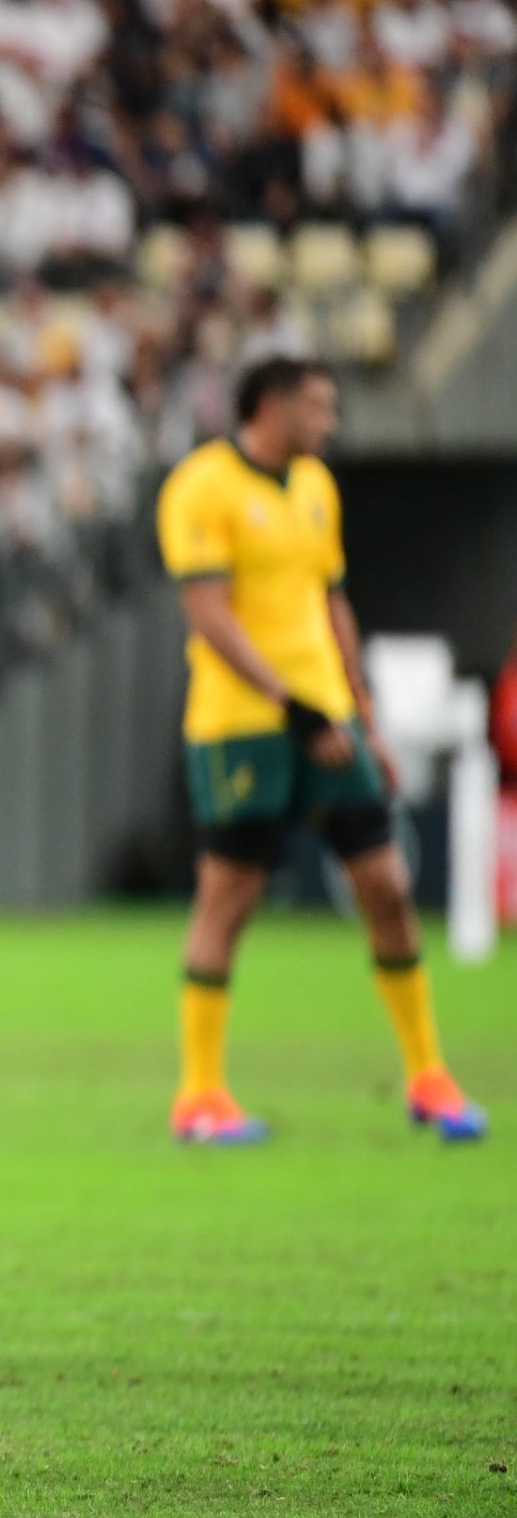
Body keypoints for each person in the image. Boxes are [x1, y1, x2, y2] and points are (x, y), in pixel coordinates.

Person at [156, 357, 485, 1144]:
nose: (330, 423)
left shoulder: (315, 487)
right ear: (269, 405)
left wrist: (362, 715)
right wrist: (289, 704)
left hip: (330, 720)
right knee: (228, 899)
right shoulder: (201, 485)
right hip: (242, 724)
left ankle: (428, 1074)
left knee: (388, 884)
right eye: (317, 407)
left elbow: (331, 601)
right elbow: (209, 613)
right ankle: (199, 1092)